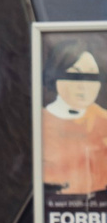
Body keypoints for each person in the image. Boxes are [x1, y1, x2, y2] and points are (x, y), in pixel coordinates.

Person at [42, 45, 107, 196]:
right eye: (74, 76)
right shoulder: (39, 123)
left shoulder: (104, 120)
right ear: (54, 76)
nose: (83, 86)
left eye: (92, 77)